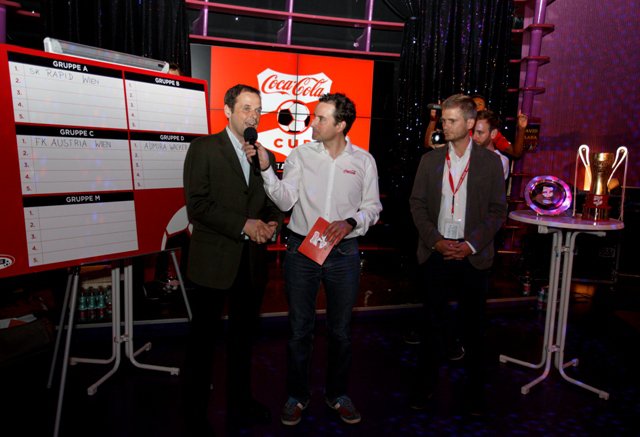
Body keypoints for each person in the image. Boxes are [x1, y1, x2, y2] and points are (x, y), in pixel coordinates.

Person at [245, 93, 382, 426]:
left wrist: (351, 222)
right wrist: (266, 170)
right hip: (302, 250)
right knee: (299, 329)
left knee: (341, 331)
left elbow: (373, 208)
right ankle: (297, 396)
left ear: (341, 124)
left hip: (344, 251)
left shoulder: (364, 161)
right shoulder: (301, 155)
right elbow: (285, 200)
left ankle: (338, 394)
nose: (313, 123)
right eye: (314, 116)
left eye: (321, 118)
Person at [181, 83, 284, 435]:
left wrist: (272, 224)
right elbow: (198, 206)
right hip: (213, 262)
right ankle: (194, 413)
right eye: (246, 108)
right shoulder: (204, 148)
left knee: (243, 340)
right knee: (202, 343)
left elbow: (273, 200)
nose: (253, 116)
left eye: (258, 110)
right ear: (227, 111)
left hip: (251, 264)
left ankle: (241, 402)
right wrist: (244, 225)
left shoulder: (263, 155)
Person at [409, 94, 507, 416]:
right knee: (431, 326)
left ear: (469, 123)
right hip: (436, 253)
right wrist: (436, 240)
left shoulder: (491, 163)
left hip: (473, 257)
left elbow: (497, 211)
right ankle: (423, 387)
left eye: (451, 121)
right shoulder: (430, 160)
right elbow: (417, 204)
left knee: (473, 330)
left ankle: (474, 395)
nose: (445, 126)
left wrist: (471, 244)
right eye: (443, 120)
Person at [471, 94, 528, 158]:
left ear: (485, 110)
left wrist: (521, 129)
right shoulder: (463, 128)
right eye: (473, 105)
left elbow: (516, 153)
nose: (476, 107)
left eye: (479, 104)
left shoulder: (491, 132)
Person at [472, 109, 510, 180]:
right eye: (473, 131)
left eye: (480, 133)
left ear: (493, 134)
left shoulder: (500, 161)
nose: (474, 137)